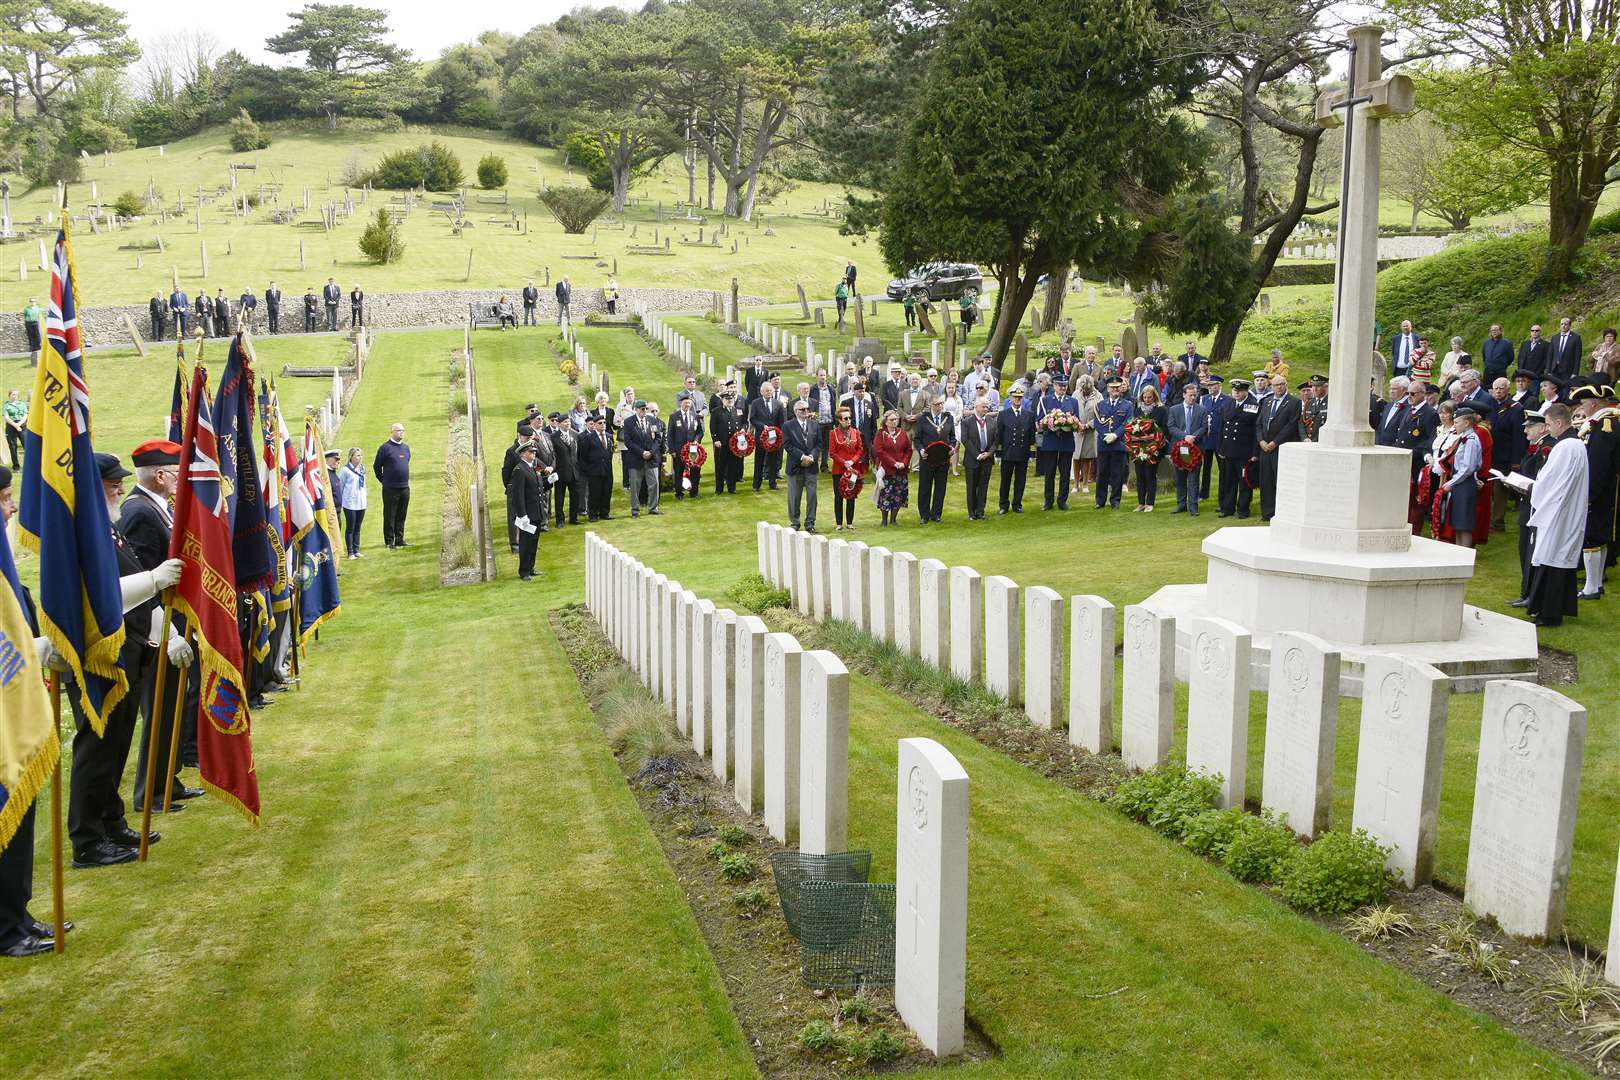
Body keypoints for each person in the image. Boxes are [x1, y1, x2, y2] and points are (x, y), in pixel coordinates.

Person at [69, 453, 186, 867]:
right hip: (100, 653)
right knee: (97, 744)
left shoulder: (107, 528)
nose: (119, 486)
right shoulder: (80, 533)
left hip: (129, 646)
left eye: (120, 479)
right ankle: (87, 837)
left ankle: (110, 819)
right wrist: (153, 580)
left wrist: (165, 632)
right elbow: (96, 594)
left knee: (117, 742)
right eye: (111, 482)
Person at [1525, 403, 1588, 625]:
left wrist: (1531, 489)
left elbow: (1549, 481)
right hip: (1568, 510)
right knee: (1559, 558)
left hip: (1558, 513)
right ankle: (1553, 609)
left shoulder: (1565, 447)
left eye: (1549, 425)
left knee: (1551, 558)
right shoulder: (1576, 444)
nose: (1548, 429)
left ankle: (1549, 613)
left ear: (1559, 423)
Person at [1572, 384, 1619, 598]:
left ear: (1592, 403)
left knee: (1592, 536)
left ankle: (1591, 587)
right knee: (1600, 536)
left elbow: (1598, 465)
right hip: (1606, 489)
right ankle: (1596, 583)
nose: (1582, 408)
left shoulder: (1603, 425)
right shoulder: (1603, 423)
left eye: (1583, 403)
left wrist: (1589, 494)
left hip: (1601, 490)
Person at [1508, 409, 1554, 607]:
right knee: (1524, 548)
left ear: (1542, 427)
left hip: (1535, 505)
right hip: (1528, 503)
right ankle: (1526, 591)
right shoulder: (1537, 446)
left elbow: (1541, 478)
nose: (1526, 432)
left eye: (1530, 427)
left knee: (1530, 550)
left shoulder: (1547, 447)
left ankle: (1529, 594)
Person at [1436, 407, 1483, 548]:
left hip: (1464, 484)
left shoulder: (1471, 440)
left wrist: (1452, 482)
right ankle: (1458, 551)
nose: (1454, 425)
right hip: (1461, 483)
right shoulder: (1464, 439)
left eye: (1457, 422)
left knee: (1464, 523)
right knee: (1457, 522)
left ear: (1467, 423)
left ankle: (1465, 554)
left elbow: (1468, 468)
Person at [1256, 374, 1300, 522]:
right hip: (1265, 448)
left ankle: (1282, 512)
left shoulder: (1294, 403)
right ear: (1271, 387)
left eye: (1281, 384)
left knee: (1280, 481)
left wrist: (1275, 442)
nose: (1279, 387)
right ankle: (1267, 513)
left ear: (1286, 385)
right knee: (1266, 481)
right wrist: (1261, 440)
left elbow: (1291, 426)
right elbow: (1259, 424)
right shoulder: (1267, 402)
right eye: (1275, 385)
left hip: (1281, 448)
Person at [1488, 377, 1526, 532]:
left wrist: (1516, 460)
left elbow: (1519, 436)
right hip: (1491, 453)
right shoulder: (1490, 405)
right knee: (1490, 488)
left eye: (1501, 388)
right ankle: (1489, 519)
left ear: (1508, 390)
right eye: (1495, 388)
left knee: (1500, 490)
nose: (1498, 391)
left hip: (1505, 455)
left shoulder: (1516, 408)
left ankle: (1498, 522)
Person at [1217, 378, 1259, 518]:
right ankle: (1227, 508)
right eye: (1235, 390)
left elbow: (1255, 431)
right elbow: (1223, 428)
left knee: (1244, 482)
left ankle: (1242, 509)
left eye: (1240, 391)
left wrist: (1254, 452)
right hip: (1229, 450)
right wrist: (1221, 448)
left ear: (1246, 391)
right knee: (1229, 481)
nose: (1236, 393)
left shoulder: (1252, 405)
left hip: (1244, 451)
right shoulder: (1229, 404)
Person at [1168, 383, 1209, 516]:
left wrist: (1193, 437)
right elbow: (1171, 427)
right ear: (1184, 395)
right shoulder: (1174, 409)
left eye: (1195, 395)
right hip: (1179, 449)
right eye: (1190, 395)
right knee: (1180, 478)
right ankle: (1181, 504)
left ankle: (1193, 506)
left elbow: (1204, 427)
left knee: (1193, 479)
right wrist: (1184, 437)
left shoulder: (1202, 410)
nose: (1193, 398)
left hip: (1195, 449)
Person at [1093, 377, 1132, 510]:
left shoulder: (1127, 405)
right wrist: (1106, 435)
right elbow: (1097, 423)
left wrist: (1115, 434)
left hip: (1118, 444)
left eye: (1117, 387)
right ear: (1108, 389)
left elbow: (1128, 422)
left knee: (1117, 473)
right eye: (1112, 388)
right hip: (1104, 443)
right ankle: (1100, 500)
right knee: (1102, 473)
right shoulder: (1100, 405)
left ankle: (1115, 500)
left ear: (1121, 388)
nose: (1115, 390)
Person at [505, 443, 543, 581]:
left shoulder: (530, 467)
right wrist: (522, 514)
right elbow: (518, 495)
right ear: (523, 454)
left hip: (536, 512)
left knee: (533, 543)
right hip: (527, 514)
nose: (533, 454)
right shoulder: (520, 470)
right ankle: (524, 571)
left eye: (534, 452)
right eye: (531, 452)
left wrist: (549, 482)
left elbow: (537, 489)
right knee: (526, 544)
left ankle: (531, 567)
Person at [914, 396, 955, 523]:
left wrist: (952, 447)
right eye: (937, 404)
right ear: (931, 405)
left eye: (942, 404)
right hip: (927, 459)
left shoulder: (948, 418)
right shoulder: (923, 419)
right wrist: (921, 451)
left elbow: (952, 437)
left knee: (940, 487)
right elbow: (917, 439)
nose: (940, 407)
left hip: (943, 460)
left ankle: (936, 514)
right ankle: (924, 515)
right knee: (925, 488)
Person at [789, 400, 827, 531]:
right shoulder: (788, 426)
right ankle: (795, 522)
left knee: (812, 496)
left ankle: (810, 522)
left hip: (811, 466)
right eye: (802, 410)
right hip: (795, 466)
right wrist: (802, 456)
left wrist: (812, 456)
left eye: (807, 409)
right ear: (795, 412)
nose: (806, 412)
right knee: (795, 496)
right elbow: (787, 445)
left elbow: (819, 444)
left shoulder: (814, 425)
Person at [998, 384, 1036, 514]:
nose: (1017, 400)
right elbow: (999, 435)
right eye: (1015, 397)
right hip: (1008, 452)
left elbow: (1032, 435)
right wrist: (998, 453)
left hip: (1022, 452)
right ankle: (1003, 505)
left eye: (1020, 397)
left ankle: (1017, 504)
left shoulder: (1029, 415)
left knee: (1020, 480)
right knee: (1005, 480)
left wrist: (1032, 454)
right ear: (1010, 398)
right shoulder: (1003, 414)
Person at [373, 423, 412, 549]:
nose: (401, 433)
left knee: (402, 514)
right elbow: (377, 466)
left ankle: (399, 539)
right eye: (399, 430)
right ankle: (389, 541)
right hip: (390, 488)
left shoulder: (406, 448)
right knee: (390, 514)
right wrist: (384, 480)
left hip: (404, 487)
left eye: (403, 431)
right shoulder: (385, 448)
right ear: (392, 432)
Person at [960, 398, 998, 520]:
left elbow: (996, 441)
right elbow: (965, 440)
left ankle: (980, 511)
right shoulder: (967, 422)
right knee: (971, 487)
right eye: (984, 407)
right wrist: (977, 455)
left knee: (983, 486)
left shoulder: (992, 421)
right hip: (972, 459)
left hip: (987, 459)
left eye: (987, 407)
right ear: (976, 407)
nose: (986, 409)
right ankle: (971, 513)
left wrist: (989, 453)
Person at [622, 401, 661, 518]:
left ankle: (653, 507)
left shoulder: (653, 420)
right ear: (636, 409)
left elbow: (658, 438)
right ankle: (635, 510)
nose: (645, 411)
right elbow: (628, 441)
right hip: (636, 459)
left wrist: (651, 452)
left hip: (651, 458)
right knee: (635, 486)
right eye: (642, 409)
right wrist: (642, 452)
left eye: (646, 409)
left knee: (654, 484)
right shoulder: (629, 422)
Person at [1133, 384, 1167, 512]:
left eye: (1150, 397)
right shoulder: (1138, 409)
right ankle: (1141, 502)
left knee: (1150, 474)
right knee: (1140, 475)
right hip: (1138, 447)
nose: (1147, 400)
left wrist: (1153, 435)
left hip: (1154, 447)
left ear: (1154, 397)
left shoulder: (1161, 410)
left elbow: (1165, 428)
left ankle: (1150, 502)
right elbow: (1133, 425)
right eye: (1145, 397)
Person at [874, 410, 912, 527]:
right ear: (885, 422)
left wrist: (904, 463)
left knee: (899, 494)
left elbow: (908, 450)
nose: (894, 422)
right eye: (891, 420)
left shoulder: (903, 433)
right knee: (886, 494)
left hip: (901, 471)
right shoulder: (881, 434)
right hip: (887, 470)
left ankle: (893, 519)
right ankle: (884, 520)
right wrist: (894, 463)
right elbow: (879, 451)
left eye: (896, 419)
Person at [709, 381, 748, 494]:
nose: (730, 401)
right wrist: (715, 439)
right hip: (722, 443)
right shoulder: (717, 412)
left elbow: (744, 422)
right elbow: (713, 427)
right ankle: (719, 489)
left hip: (734, 444)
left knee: (733, 466)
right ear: (722, 400)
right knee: (720, 467)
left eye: (731, 399)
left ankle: (732, 488)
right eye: (727, 399)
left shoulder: (737, 411)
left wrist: (743, 429)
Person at [750, 384, 786, 491]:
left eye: (770, 391)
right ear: (762, 392)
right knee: (759, 461)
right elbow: (752, 418)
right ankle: (756, 484)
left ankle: (772, 482)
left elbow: (781, 421)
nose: (769, 393)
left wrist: (779, 433)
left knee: (773, 460)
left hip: (774, 438)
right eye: (767, 391)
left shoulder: (778, 404)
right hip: (761, 436)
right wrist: (763, 426)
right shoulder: (756, 403)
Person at [578, 414, 615, 520]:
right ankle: (593, 514)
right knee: (595, 493)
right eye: (600, 423)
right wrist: (588, 470)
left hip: (607, 469)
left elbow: (610, 452)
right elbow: (582, 456)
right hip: (594, 470)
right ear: (594, 425)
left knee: (606, 492)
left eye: (604, 423)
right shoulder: (589, 438)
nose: (603, 425)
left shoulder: (609, 436)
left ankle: (604, 512)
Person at [547, 413, 580, 526]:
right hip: (561, 472)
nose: (567, 424)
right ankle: (560, 520)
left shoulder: (575, 435)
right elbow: (553, 455)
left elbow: (578, 453)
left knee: (575, 496)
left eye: (569, 422)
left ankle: (573, 518)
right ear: (559, 423)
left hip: (574, 471)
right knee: (559, 497)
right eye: (565, 422)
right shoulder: (553, 437)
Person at [669, 395, 705, 500]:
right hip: (678, 450)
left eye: (689, 403)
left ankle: (694, 492)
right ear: (681, 403)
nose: (687, 405)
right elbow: (670, 434)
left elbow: (700, 431)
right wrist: (672, 450)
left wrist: (696, 440)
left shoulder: (696, 416)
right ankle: (679, 493)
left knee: (695, 471)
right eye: (685, 403)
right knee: (678, 472)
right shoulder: (674, 416)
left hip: (693, 450)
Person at [1198, 377, 1227, 500]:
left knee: (1223, 468)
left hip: (1220, 438)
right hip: (1207, 439)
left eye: (1212, 385)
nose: (1209, 388)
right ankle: (1204, 493)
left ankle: (1224, 494)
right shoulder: (1204, 399)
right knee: (1206, 468)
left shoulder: (1227, 400)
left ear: (1219, 385)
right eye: (1208, 386)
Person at [336, 447, 367, 557]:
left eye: (361, 455)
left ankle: (356, 549)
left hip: (361, 503)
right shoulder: (345, 470)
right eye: (358, 455)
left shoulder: (362, 468)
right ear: (351, 457)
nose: (360, 457)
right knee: (350, 527)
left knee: (358, 527)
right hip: (350, 504)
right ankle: (350, 552)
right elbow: (340, 486)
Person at [1551, 317, 1582, 383]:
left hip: (1568, 370)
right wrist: (1548, 371)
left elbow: (1577, 357)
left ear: (1569, 325)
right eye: (1562, 324)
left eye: (1565, 324)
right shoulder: (1555, 337)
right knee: (1555, 390)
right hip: (1555, 369)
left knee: (1565, 391)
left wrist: (1575, 373)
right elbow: (1550, 355)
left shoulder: (1576, 338)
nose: (1563, 326)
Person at [3, 390, 24, 469]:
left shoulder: (22, 404)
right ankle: (16, 466)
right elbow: (6, 417)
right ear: (9, 396)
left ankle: (30, 465)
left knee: (26, 445)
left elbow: (25, 415)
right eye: (13, 394)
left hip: (22, 425)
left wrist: (19, 424)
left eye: (16, 394)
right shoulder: (6, 405)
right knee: (13, 446)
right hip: (11, 426)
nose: (14, 396)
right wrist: (15, 425)